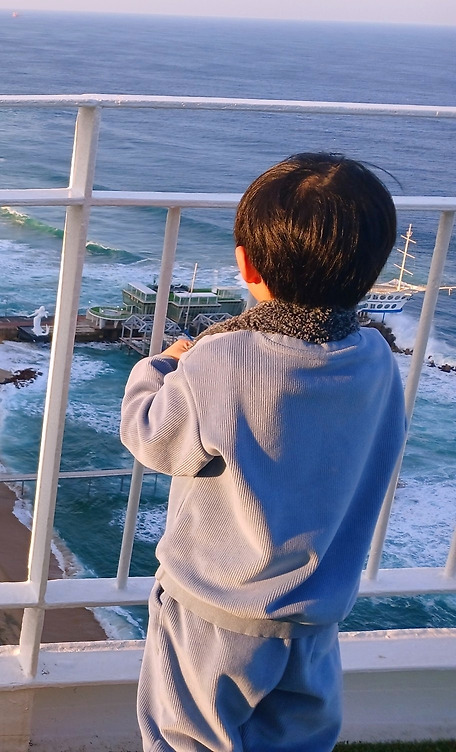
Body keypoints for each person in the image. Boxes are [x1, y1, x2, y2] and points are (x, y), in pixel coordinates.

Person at [119, 153, 406, 752]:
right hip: (314, 618)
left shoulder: (222, 359)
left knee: (188, 740)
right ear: (371, 271)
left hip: (213, 613)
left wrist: (160, 367)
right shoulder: (376, 358)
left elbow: (153, 438)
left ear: (246, 263)